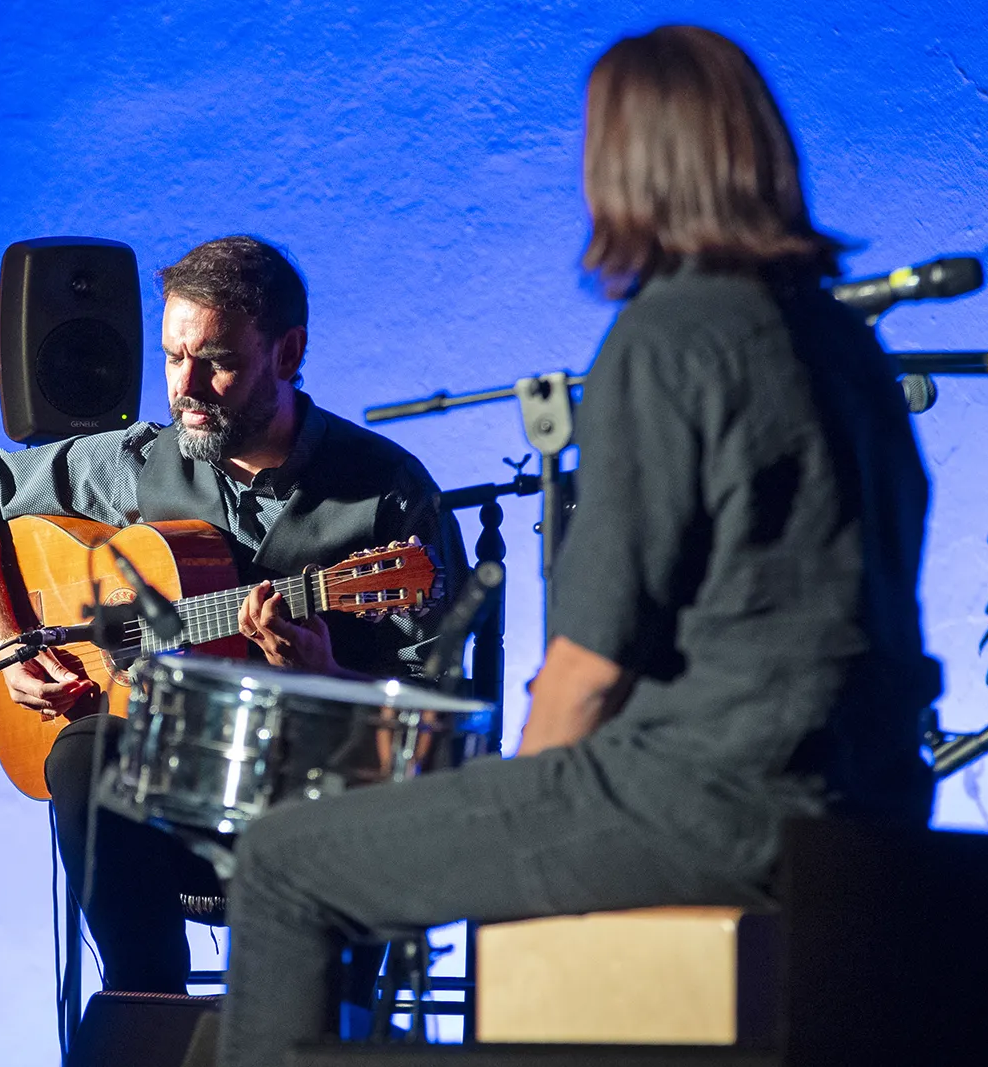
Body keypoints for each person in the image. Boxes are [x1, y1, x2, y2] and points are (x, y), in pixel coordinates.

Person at [216, 25, 943, 1067]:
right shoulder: (844, 344)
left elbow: (587, 665)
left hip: (706, 798)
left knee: (282, 864)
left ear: (629, 163)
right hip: (863, 804)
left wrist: (509, 833)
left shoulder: (671, 336)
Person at [0, 234, 467, 994]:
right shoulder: (139, 461)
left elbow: (439, 725)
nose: (188, 388)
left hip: (317, 813)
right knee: (86, 755)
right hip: (175, 816)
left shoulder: (385, 491)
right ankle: (144, 1006)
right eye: (175, 357)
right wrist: (13, 642)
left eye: (217, 361)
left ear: (287, 353)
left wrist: (328, 678)